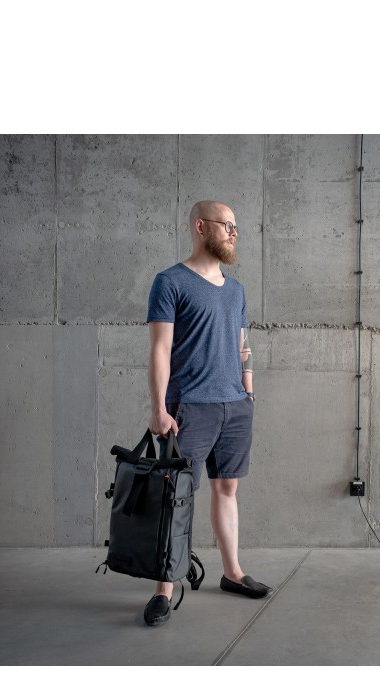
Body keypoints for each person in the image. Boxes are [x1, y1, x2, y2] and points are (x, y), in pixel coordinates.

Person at [143, 200, 271, 627]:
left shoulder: (236, 290)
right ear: (201, 227)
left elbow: (243, 344)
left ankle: (232, 573)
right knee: (175, 496)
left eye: (236, 227)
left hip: (235, 406)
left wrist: (248, 393)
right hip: (189, 408)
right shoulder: (170, 282)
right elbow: (160, 349)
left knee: (227, 488)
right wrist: (159, 408)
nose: (234, 233)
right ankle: (163, 590)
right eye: (226, 225)